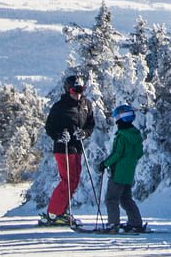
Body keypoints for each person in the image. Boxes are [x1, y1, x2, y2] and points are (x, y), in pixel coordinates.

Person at [40, 73, 96, 226]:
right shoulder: (59, 107)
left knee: (75, 180)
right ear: (67, 90)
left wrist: (84, 133)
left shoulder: (86, 105)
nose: (78, 94)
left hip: (77, 147)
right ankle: (53, 213)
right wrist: (59, 135)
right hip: (63, 147)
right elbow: (49, 127)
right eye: (74, 90)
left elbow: (90, 124)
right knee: (68, 180)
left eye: (81, 90)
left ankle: (61, 211)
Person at [96, 104, 147, 233]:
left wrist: (105, 164)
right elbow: (139, 153)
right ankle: (136, 223)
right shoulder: (135, 134)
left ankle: (113, 225)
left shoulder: (122, 135)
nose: (115, 121)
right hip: (129, 173)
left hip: (118, 173)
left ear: (121, 119)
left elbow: (117, 154)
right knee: (125, 199)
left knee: (111, 199)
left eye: (116, 118)